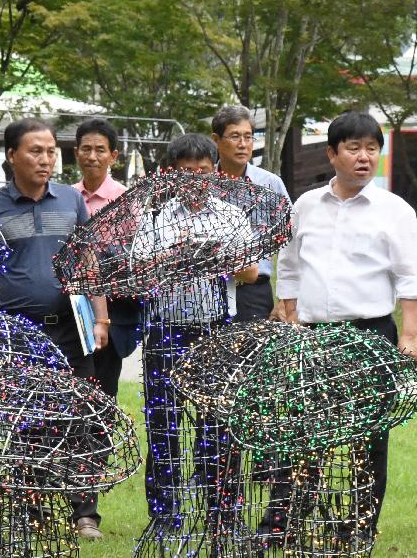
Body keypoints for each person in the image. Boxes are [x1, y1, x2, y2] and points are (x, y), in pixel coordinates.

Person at [276, 111, 417, 539]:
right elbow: (288, 266)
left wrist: (410, 337)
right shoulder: (305, 206)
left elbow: (409, 276)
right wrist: (289, 315)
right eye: (354, 148)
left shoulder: (393, 210)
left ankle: (359, 526)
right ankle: (294, 520)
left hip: (370, 334)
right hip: (312, 336)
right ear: (332, 153)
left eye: (372, 149)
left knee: (368, 438)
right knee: (304, 433)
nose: (364, 157)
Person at [0, 118, 109, 540]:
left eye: (50, 151)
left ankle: (85, 514)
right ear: (12, 156)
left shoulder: (71, 201)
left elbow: (88, 263)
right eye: (35, 151)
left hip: (73, 328)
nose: (46, 159)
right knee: (27, 421)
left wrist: (100, 318)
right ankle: (32, 509)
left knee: (80, 419)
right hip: (19, 334)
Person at [140, 133, 256, 536]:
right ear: (173, 173)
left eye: (203, 171)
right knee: (164, 425)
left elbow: (251, 272)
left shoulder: (229, 215)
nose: (195, 179)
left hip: (216, 332)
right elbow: (138, 274)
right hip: (164, 329)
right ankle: (165, 514)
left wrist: (214, 256)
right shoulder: (156, 217)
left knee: (219, 426)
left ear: (215, 172)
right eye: (186, 172)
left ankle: (223, 512)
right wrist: (174, 258)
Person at [71, 118, 142, 399]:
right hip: (69, 311)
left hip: (109, 314)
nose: (92, 156)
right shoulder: (66, 198)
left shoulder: (126, 201)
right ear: (76, 152)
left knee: (103, 394)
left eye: (100, 150)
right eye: (86, 149)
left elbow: (135, 256)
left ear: (113, 155)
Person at [211, 105, 289, 321]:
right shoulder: (204, 186)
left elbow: (292, 242)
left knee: (251, 354)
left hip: (255, 292)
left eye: (248, 137)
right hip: (210, 291)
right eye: (235, 136)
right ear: (216, 139)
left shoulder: (270, 184)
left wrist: (286, 299)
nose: (243, 144)